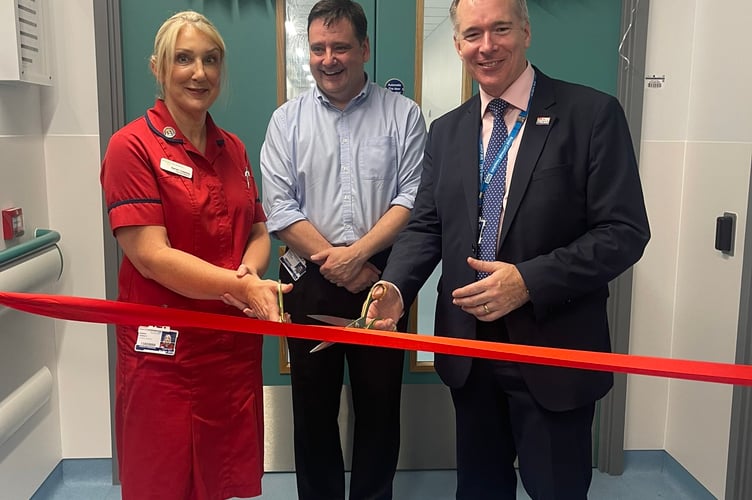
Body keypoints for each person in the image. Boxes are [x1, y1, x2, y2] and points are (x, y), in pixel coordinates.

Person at [366, 0, 651, 499]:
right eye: (473, 34)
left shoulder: (591, 115)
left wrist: (529, 281)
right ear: (458, 45)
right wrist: (395, 285)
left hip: (555, 353)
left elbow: (624, 232)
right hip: (470, 355)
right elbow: (427, 226)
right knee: (478, 490)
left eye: (500, 29)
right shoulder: (448, 131)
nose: (487, 45)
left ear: (526, 31)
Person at [100, 11, 287, 500]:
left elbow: (260, 230)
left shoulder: (235, 150)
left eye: (210, 60)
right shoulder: (131, 147)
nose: (198, 72)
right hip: (166, 359)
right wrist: (240, 286)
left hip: (228, 353)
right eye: (183, 59)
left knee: (220, 480)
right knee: (163, 482)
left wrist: (250, 269)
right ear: (157, 68)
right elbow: (151, 256)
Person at [259, 1, 426, 498]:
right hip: (310, 283)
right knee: (312, 409)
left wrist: (358, 260)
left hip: (383, 285)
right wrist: (336, 263)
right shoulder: (286, 121)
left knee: (379, 408)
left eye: (341, 47)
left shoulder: (404, 115)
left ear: (365, 49)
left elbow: (413, 198)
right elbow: (280, 207)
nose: (328, 58)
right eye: (317, 48)